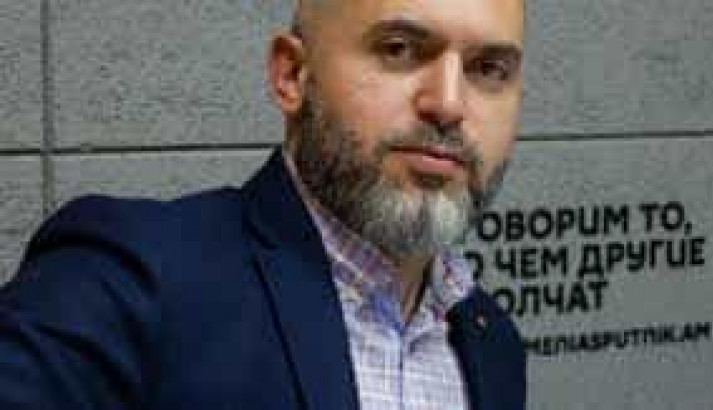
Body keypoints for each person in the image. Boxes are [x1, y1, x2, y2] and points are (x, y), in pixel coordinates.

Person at [0, 0, 526, 408]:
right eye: (399, 49)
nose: (449, 104)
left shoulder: (490, 341)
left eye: (489, 69)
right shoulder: (128, 278)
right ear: (291, 74)